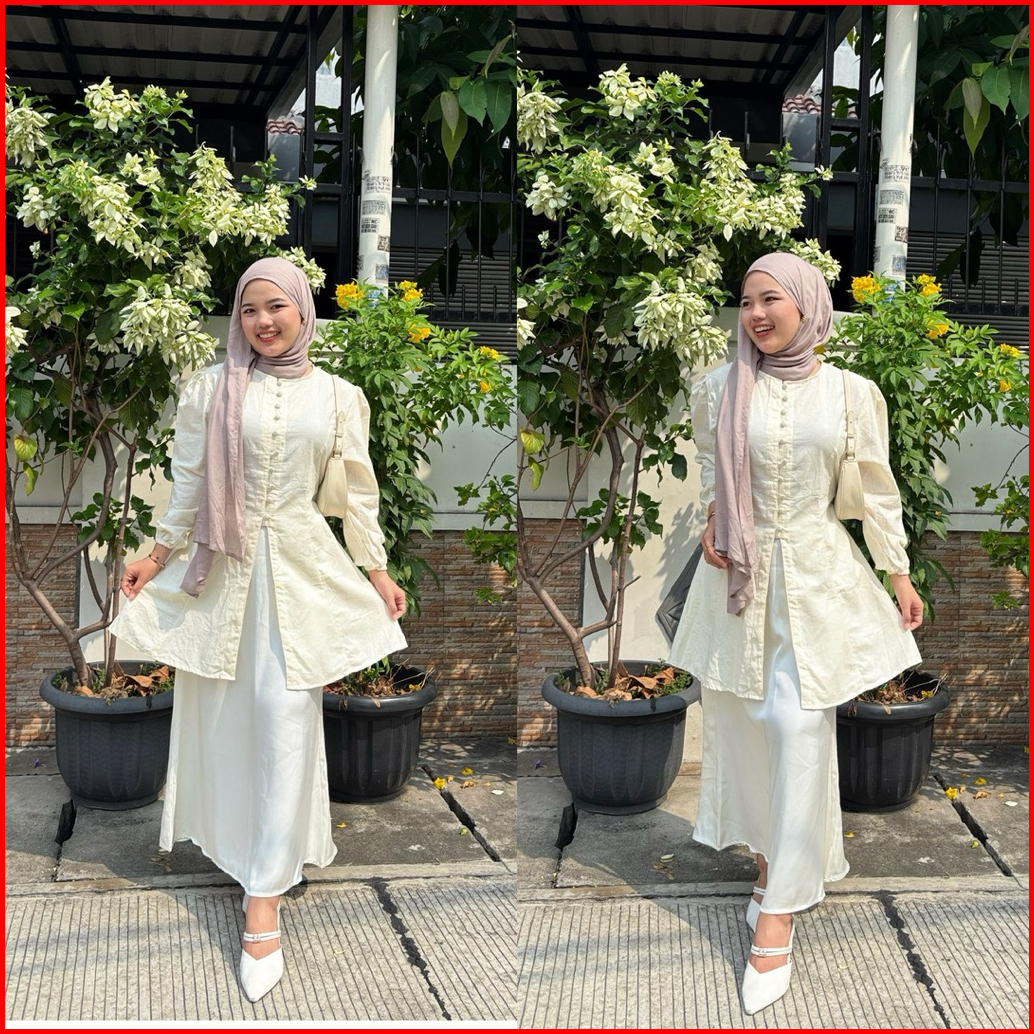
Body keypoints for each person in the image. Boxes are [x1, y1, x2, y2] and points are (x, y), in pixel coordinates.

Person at [111, 256, 408, 1002]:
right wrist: (155, 556)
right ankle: (238, 851)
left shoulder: (338, 396)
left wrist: (375, 569)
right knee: (222, 717)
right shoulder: (210, 388)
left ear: (304, 310)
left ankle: (264, 900)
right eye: (249, 310)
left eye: (277, 306)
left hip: (300, 572)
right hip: (222, 571)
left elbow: (357, 495)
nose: (263, 322)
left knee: (283, 718)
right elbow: (188, 484)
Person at [668, 252, 923, 1015]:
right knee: (744, 723)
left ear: (808, 305)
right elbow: (714, 475)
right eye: (746, 300)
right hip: (738, 587)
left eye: (770, 298)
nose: (755, 313)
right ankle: (772, 865)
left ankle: (776, 917)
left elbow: (875, 491)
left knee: (798, 724)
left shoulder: (851, 392)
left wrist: (898, 572)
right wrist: (714, 520)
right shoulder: (719, 386)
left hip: (816, 577)